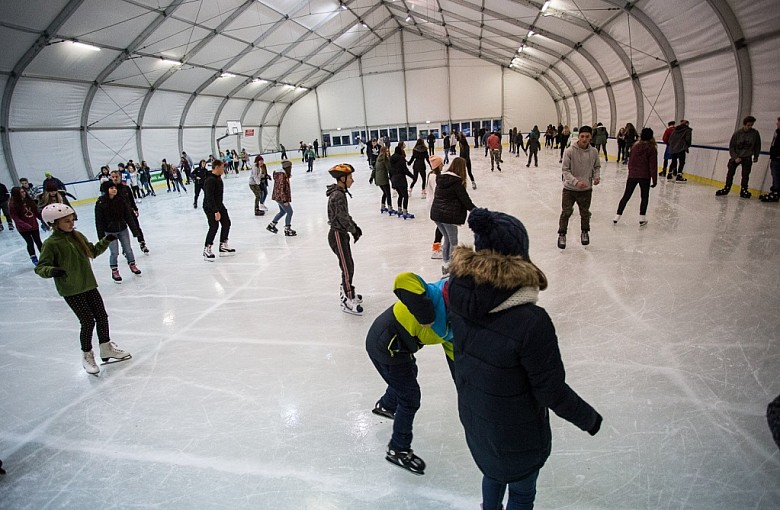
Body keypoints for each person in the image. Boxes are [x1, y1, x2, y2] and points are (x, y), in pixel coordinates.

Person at [447, 208, 602, 510]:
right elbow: (551, 391)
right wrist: (589, 419)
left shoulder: (460, 298)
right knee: (521, 492)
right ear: (519, 257)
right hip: (518, 437)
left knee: (492, 473)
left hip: (477, 423)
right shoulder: (531, 321)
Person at [366, 272, 453, 476]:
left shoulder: (457, 323)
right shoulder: (436, 295)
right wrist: (427, 316)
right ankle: (398, 448)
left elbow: (453, 350)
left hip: (399, 346)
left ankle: (386, 405)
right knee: (410, 397)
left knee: (408, 375)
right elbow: (404, 280)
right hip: (386, 345)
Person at [35, 203, 131, 375]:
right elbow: (41, 267)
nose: (71, 223)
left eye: (72, 220)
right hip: (71, 289)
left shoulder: (77, 236)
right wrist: (52, 271)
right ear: (54, 223)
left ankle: (106, 347)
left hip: (89, 284)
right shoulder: (51, 244)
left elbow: (92, 252)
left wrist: (105, 241)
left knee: (102, 316)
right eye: (66, 221)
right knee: (87, 321)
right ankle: (87, 355)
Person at [326, 163, 363, 315]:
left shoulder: (340, 193)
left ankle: (348, 290)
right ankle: (347, 297)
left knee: (349, 265)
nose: (352, 180)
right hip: (337, 235)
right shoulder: (338, 195)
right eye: (350, 177)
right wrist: (353, 229)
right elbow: (342, 218)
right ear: (342, 178)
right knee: (347, 267)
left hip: (341, 234)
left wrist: (354, 227)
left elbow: (345, 216)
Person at [430, 157, 476, 276]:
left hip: (436, 214)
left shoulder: (441, 178)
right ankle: (452, 266)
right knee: (453, 241)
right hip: (448, 216)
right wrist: (476, 211)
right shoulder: (456, 182)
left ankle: (445, 265)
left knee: (447, 239)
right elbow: (465, 200)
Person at [557, 125, 601, 249]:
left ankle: (585, 232)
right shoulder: (570, 151)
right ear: (578, 137)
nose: (584, 139)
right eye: (582, 136)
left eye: (587, 136)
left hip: (586, 190)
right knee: (566, 212)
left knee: (585, 213)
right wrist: (576, 182)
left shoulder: (594, 152)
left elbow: (597, 166)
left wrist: (596, 177)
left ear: (591, 137)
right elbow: (565, 171)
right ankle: (562, 234)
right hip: (570, 189)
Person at [95, 182, 142, 283]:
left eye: (114, 188)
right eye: (111, 188)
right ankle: (114, 271)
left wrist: (134, 230)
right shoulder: (100, 203)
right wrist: (102, 238)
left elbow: (128, 216)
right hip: (110, 232)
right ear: (106, 190)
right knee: (114, 252)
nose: (114, 189)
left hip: (122, 229)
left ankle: (132, 265)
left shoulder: (120, 200)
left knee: (128, 249)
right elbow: (99, 221)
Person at [614, 128, 658, 226]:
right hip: (645, 176)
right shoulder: (651, 148)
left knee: (626, 196)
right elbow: (653, 165)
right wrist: (654, 180)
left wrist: (631, 172)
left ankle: (617, 215)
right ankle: (642, 218)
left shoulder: (635, 146)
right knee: (644, 197)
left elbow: (631, 161)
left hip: (633, 175)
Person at [101, 171, 149, 255]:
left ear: (120, 177)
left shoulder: (126, 188)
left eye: (116, 176)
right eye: (113, 177)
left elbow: (131, 199)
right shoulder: (111, 190)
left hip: (129, 212)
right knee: (122, 232)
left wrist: (135, 209)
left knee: (136, 227)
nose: (115, 178)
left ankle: (142, 243)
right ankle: (124, 248)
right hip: (119, 215)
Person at [716, 115, 762, 198]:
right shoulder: (737, 134)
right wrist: (735, 157)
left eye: (751, 125)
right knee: (730, 173)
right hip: (737, 156)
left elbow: (757, 145)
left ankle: (744, 189)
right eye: (748, 125)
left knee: (745, 175)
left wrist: (756, 156)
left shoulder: (755, 133)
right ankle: (727, 187)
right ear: (744, 124)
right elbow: (732, 146)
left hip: (747, 157)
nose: (750, 127)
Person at [201, 159, 235, 260]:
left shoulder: (218, 178)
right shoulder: (210, 180)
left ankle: (223, 246)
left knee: (226, 223)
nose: (224, 169)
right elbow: (209, 197)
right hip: (210, 206)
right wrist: (215, 211)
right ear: (216, 167)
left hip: (219, 204)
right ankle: (207, 249)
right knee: (214, 226)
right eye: (222, 167)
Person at [8, 186, 42, 264]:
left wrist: (42, 219)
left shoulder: (29, 201)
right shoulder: (13, 204)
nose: (24, 193)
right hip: (23, 229)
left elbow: (36, 212)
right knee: (30, 242)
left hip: (34, 225)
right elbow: (15, 218)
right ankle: (34, 258)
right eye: (21, 192)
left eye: (24, 192)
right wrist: (25, 225)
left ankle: (45, 256)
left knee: (38, 242)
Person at [266, 160, 296, 236]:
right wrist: (285, 200)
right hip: (281, 197)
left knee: (283, 212)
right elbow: (281, 188)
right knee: (290, 212)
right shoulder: (281, 175)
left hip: (278, 196)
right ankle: (287, 229)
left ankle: (271, 225)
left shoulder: (281, 174)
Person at [424, 155, 444, 259]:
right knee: (441, 227)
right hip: (435, 204)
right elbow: (438, 191)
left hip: (433, 203)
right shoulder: (435, 177)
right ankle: (435, 249)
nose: (443, 165)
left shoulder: (431, 175)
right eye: (441, 163)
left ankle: (437, 246)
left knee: (441, 226)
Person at [389, 142, 415, 219]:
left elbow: (389, 171)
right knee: (405, 196)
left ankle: (399, 210)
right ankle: (404, 211)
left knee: (400, 195)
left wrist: (391, 180)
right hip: (401, 180)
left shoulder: (391, 159)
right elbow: (405, 171)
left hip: (394, 179)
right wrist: (413, 176)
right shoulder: (401, 159)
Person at [759, 117, 780, 202]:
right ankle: (774, 190)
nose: (777, 124)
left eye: (778, 122)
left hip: (778, 158)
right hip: (774, 157)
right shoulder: (777, 132)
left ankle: (776, 193)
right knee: (775, 175)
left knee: (777, 176)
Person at [370, 145, 393, 214]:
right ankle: (390, 208)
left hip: (378, 179)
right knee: (388, 193)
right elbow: (389, 168)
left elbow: (374, 168)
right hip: (383, 178)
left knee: (385, 193)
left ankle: (382, 206)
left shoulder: (378, 158)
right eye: (387, 151)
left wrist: (371, 177)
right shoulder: (385, 158)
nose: (388, 152)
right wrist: (392, 175)